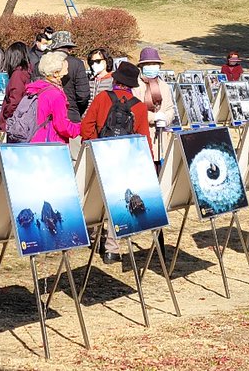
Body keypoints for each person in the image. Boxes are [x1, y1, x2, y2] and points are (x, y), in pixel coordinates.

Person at [80, 62, 150, 264]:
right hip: (124, 159)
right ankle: (112, 248)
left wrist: (94, 143)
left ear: (116, 80)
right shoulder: (140, 107)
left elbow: (86, 126)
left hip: (100, 153)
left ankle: (94, 237)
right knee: (118, 199)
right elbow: (143, 139)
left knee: (96, 194)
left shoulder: (102, 98)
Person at [26, 51, 81, 144]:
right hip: (51, 143)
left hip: (33, 138)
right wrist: (80, 128)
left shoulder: (36, 89)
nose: (67, 72)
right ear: (56, 73)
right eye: (65, 69)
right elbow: (62, 126)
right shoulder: (55, 95)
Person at [133, 47, 176, 148]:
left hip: (161, 136)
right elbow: (134, 110)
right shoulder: (135, 86)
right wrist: (154, 117)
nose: (151, 67)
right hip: (141, 135)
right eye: (148, 64)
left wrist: (165, 119)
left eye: (154, 64)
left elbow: (170, 108)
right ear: (141, 67)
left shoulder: (164, 86)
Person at [49, 31, 91, 122]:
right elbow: (83, 95)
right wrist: (76, 110)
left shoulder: (41, 64)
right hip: (70, 115)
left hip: (48, 116)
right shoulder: (77, 64)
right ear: (69, 48)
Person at [0, 42, 31, 132]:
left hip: (12, 122)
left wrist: (6, 114)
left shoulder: (17, 75)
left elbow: (15, 100)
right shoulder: (26, 72)